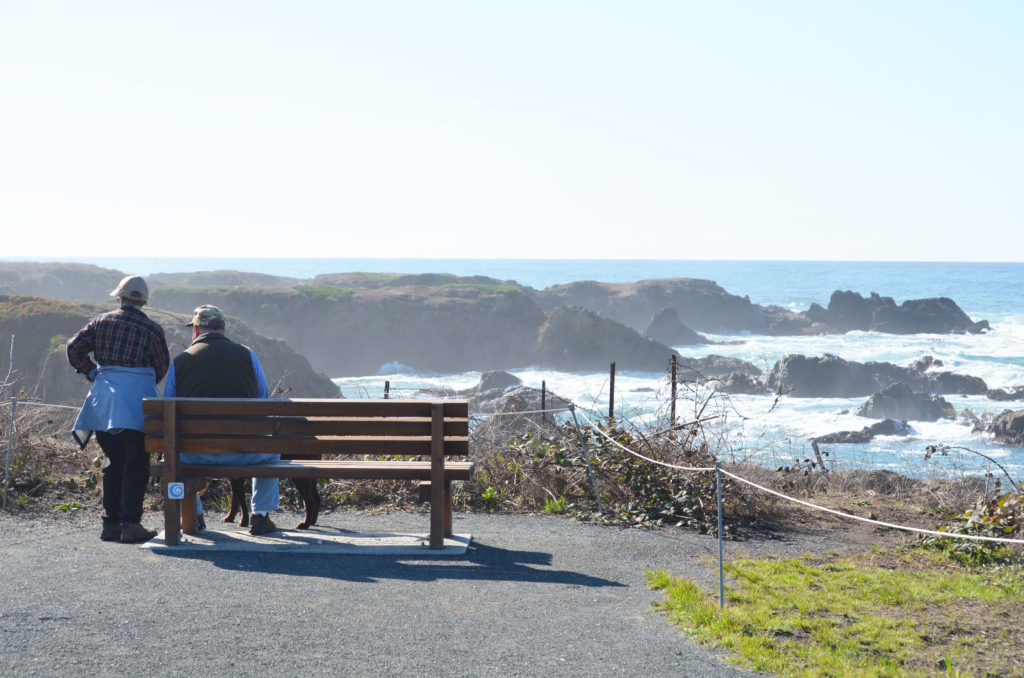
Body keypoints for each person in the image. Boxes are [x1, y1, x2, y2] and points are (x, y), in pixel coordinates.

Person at [67, 274, 170, 543]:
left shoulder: (101, 322)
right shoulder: (153, 330)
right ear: (143, 302)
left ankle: (110, 525)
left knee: (112, 462)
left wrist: (92, 372)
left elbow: (73, 348)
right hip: (138, 404)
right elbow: (161, 367)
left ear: (120, 298)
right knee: (136, 464)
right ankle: (131, 525)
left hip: (105, 402)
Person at [163, 304, 280, 535]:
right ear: (223, 328)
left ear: (196, 330)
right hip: (245, 452)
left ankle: (195, 515)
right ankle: (260, 515)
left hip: (194, 453)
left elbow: (168, 406)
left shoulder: (181, 361)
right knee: (272, 451)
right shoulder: (248, 355)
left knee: (174, 454)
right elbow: (263, 400)